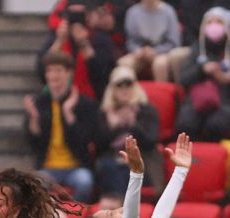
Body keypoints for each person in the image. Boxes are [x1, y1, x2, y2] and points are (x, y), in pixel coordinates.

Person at [24, 51, 99, 203]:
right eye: (49, 71)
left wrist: (68, 114)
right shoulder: (40, 103)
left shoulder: (84, 104)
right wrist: (34, 120)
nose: (53, 75)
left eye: (58, 70)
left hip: (76, 166)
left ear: (69, 73)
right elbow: (34, 143)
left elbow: (85, 141)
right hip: (48, 167)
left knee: (85, 182)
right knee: (34, 185)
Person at [95, 65, 160, 195]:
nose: (124, 89)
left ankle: (119, 209)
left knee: (124, 171)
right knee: (110, 168)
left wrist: (133, 125)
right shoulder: (105, 112)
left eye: (128, 84)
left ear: (135, 87)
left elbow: (151, 142)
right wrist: (113, 128)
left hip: (142, 161)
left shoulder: (147, 110)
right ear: (112, 89)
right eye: (119, 85)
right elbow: (97, 146)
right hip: (112, 161)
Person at [36, 2, 115, 101]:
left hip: (92, 98)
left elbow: (103, 74)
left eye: (80, 15)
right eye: (72, 15)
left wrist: (84, 44)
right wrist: (59, 41)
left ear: (88, 17)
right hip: (59, 98)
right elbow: (41, 70)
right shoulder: (55, 38)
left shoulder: (100, 39)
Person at [175, 8, 230, 143]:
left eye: (219, 21)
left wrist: (224, 78)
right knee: (185, 123)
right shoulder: (197, 48)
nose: (214, 25)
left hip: (224, 101)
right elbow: (183, 79)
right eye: (209, 22)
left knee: (216, 124)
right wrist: (202, 69)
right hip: (195, 101)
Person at [118, 0, 180, 83]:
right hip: (140, 52)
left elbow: (174, 42)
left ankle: (161, 94)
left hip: (162, 52)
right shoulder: (132, 12)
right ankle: (131, 94)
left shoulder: (168, 11)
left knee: (160, 65)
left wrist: (155, 51)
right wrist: (137, 50)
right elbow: (130, 40)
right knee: (124, 64)